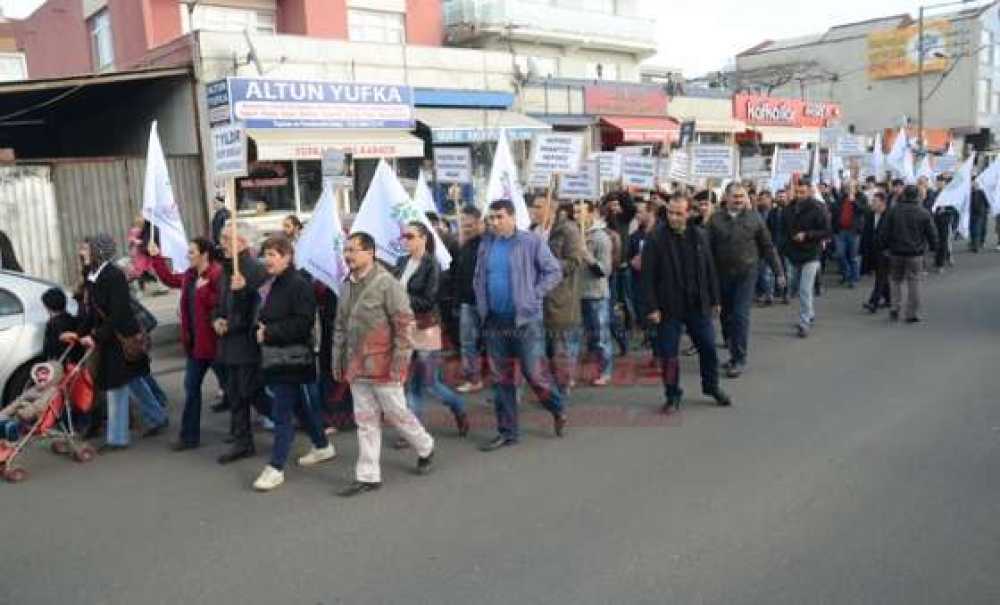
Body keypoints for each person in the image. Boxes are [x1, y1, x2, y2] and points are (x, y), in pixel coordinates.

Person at [334, 232, 435, 497]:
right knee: (366, 421)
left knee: (397, 414)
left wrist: (400, 364)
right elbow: (340, 326)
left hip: (384, 365)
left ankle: (425, 446)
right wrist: (338, 360)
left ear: (370, 252)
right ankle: (368, 476)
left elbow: (404, 326)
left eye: (353, 250)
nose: (348, 255)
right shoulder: (346, 285)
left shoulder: (388, 284)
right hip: (357, 367)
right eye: (346, 250)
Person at [474, 200, 566, 451]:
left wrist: (534, 295)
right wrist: (481, 304)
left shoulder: (530, 242)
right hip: (495, 321)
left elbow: (554, 271)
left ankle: (557, 408)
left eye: (499, 217)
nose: (494, 222)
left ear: (513, 217)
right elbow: (480, 276)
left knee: (534, 375)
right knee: (500, 379)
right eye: (491, 217)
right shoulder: (486, 244)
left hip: (525, 321)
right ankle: (507, 432)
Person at [66, 234, 168, 452]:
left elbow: (118, 312)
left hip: (121, 338)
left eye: (86, 249)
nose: (82, 252)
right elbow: (92, 311)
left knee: (116, 386)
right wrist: (78, 333)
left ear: (98, 252)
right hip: (110, 337)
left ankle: (117, 439)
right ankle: (158, 417)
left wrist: (96, 336)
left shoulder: (114, 276)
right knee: (133, 379)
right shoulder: (92, 275)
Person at [250, 236, 335, 492]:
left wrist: (269, 332)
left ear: (287, 257)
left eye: (273, 254)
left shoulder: (299, 285)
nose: (267, 259)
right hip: (275, 358)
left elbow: (302, 323)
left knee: (282, 413)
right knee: (298, 407)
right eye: (265, 254)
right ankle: (322, 445)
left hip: (292, 359)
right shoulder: (272, 282)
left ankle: (275, 467)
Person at [642, 196, 731, 412]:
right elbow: (647, 276)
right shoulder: (655, 238)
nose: (673, 217)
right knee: (669, 355)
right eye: (670, 213)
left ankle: (711, 386)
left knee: (708, 347)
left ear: (689, 213)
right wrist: (652, 307)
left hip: (697, 304)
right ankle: (672, 394)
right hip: (668, 307)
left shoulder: (700, 235)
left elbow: (710, 269)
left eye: (678, 213)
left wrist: (715, 299)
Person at [147, 237, 225, 451]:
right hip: (196, 345)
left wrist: (204, 290)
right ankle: (189, 437)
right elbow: (170, 279)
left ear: (204, 254)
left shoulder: (217, 274)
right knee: (191, 389)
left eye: (191, 252)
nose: (187, 256)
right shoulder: (190, 275)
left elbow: (222, 304)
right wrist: (156, 258)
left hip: (216, 345)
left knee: (238, 391)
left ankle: (261, 423)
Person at [393, 222, 469, 442]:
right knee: (411, 383)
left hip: (425, 328)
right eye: (404, 236)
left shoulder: (431, 264)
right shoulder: (401, 262)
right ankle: (413, 432)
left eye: (410, 236)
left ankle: (458, 406)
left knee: (430, 382)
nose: (405, 240)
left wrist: (401, 297)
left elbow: (428, 300)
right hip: (404, 328)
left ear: (423, 238)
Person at [706, 184, 784, 378]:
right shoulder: (715, 220)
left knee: (740, 316)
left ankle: (739, 359)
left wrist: (779, 272)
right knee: (726, 316)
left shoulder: (754, 218)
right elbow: (706, 251)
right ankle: (732, 350)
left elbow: (768, 246)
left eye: (742, 196)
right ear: (726, 197)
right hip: (722, 275)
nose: (739, 200)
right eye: (735, 196)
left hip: (746, 274)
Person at [214, 221, 271, 465]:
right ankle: (242, 441)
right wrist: (217, 319)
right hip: (229, 344)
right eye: (222, 238)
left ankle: (291, 419)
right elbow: (220, 304)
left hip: (247, 345)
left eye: (227, 239)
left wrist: (243, 291)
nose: (222, 244)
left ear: (243, 242)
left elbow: (259, 309)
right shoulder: (227, 270)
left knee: (252, 393)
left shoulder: (256, 271)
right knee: (235, 394)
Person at [539, 199, 584, 394]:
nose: (534, 211)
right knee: (542, 349)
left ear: (552, 208)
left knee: (560, 349)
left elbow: (574, 262)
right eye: (533, 207)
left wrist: (547, 262)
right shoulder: (533, 231)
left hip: (560, 299)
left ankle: (562, 388)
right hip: (537, 299)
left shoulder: (568, 231)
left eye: (539, 207)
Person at [879, 185, 938, 323]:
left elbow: (885, 231)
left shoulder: (894, 211)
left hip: (896, 251)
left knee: (895, 280)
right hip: (915, 252)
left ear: (904, 195)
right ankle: (912, 313)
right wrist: (934, 247)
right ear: (917, 196)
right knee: (914, 282)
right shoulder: (923, 212)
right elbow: (931, 233)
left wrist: (884, 246)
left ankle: (895, 307)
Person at [780, 179, 832, 338]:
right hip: (793, 254)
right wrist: (784, 247)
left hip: (811, 254)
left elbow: (827, 231)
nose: (799, 195)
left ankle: (804, 322)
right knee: (794, 286)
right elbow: (783, 231)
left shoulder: (818, 208)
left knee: (805, 289)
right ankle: (809, 313)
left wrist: (807, 235)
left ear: (809, 191)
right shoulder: (788, 209)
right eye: (797, 192)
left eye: (802, 192)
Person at [575, 200, 614, 386]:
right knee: (575, 336)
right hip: (576, 293)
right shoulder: (574, 234)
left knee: (600, 336)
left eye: (580, 211)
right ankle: (571, 373)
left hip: (596, 295)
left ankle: (605, 371)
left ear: (591, 213)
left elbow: (605, 270)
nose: (577, 216)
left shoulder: (601, 238)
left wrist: (588, 258)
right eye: (575, 212)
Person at [453, 206, 485, 393]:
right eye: (463, 224)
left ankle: (501, 383)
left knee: (493, 342)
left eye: (470, 225)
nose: (466, 228)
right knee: (467, 343)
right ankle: (473, 379)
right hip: (467, 303)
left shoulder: (488, 244)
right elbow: (459, 275)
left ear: (479, 223)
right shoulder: (463, 245)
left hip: (487, 303)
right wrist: (457, 301)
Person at [0, 362, 63, 441]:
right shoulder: (35, 388)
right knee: (5, 416)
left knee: (10, 426)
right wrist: (4, 413)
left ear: (52, 376)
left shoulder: (51, 392)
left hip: (31, 418)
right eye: (38, 374)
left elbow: (38, 407)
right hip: (21, 413)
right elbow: (19, 400)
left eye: (44, 373)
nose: (40, 376)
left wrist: (22, 408)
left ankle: (11, 436)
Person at [830, 183, 866, 288]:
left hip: (853, 232)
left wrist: (854, 201)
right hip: (841, 231)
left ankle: (853, 279)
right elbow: (835, 209)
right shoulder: (842, 198)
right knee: (840, 254)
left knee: (853, 257)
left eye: (850, 187)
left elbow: (863, 210)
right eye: (846, 187)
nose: (848, 189)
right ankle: (847, 274)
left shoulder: (861, 197)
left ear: (856, 188)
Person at [862, 192, 892, 313]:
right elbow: (867, 233)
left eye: (875, 201)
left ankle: (873, 302)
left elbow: (894, 234)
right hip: (873, 250)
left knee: (880, 277)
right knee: (883, 277)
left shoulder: (890, 215)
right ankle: (889, 299)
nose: (872, 204)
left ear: (882, 203)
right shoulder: (870, 215)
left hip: (886, 251)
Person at [41, 288, 80, 362]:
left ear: (47, 307)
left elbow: (49, 349)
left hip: (59, 363)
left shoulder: (52, 324)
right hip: (74, 361)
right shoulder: (73, 319)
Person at [969, 183, 989, 253]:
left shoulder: (981, 192)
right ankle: (974, 243)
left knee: (977, 229)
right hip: (971, 213)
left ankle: (976, 246)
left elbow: (987, 201)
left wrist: (986, 209)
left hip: (979, 213)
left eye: (975, 184)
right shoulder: (968, 192)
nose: (973, 185)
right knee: (972, 229)